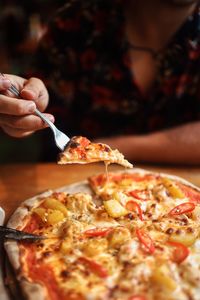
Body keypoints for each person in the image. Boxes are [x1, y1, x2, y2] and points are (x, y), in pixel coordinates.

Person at [0, 0, 199, 164]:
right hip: (64, 187)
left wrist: (104, 148)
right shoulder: (75, 23)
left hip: (177, 199)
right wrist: (23, 107)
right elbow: (39, 105)